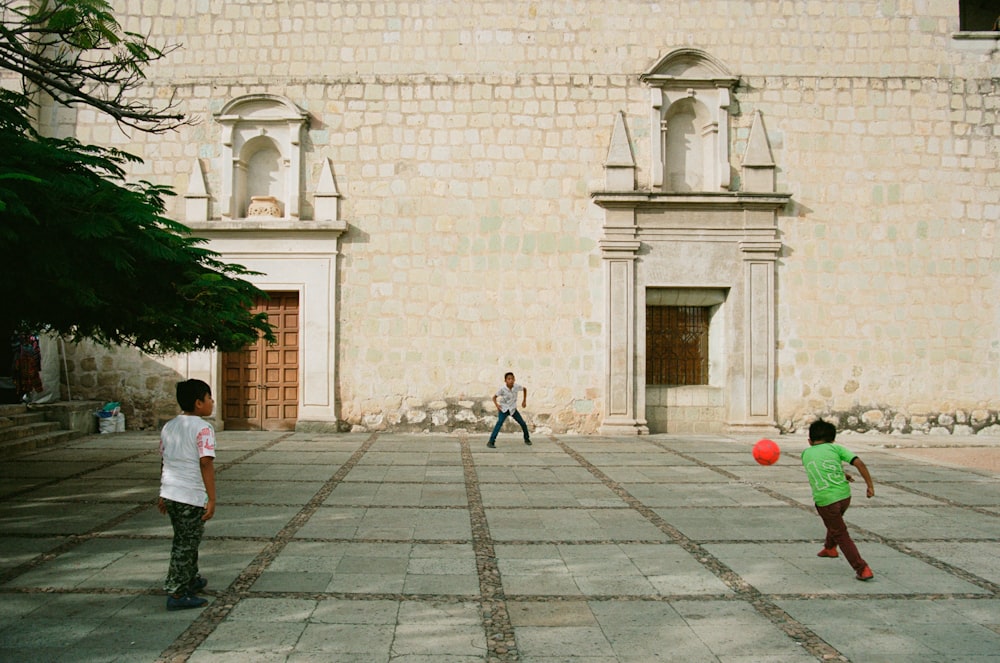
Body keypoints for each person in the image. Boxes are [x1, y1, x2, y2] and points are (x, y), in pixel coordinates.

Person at [158, 379, 217, 610]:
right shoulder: (203, 428)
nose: (212, 402)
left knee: (187, 539)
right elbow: (206, 463)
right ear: (198, 402)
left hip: (171, 492)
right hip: (190, 496)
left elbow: (165, 460)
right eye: (209, 397)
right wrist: (211, 498)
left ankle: (191, 579)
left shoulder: (169, 426)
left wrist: (162, 492)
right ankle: (177, 592)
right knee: (185, 543)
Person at [801, 419, 875, 581]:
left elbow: (820, 467)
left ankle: (862, 568)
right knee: (835, 522)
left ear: (810, 441)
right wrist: (869, 486)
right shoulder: (837, 448)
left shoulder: (806, 453)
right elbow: (859, 463)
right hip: (845, 496)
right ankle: (829, 548)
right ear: (833, 439)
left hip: (826, 500)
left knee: (840, 532)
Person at [487, 371, 531, 448]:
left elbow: (524, 389)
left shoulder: (516, 387)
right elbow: (494, 397)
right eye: (509, 379)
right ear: (505, 380)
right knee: (499, 423)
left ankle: (527, 439)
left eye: (512, 379)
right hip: (503, 409)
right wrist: (497, 405)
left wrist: (524, 400)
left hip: (513, 409)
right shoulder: (502, 389)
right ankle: (491, 441)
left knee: (523, 423)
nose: (511, 380)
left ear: (514, 379)